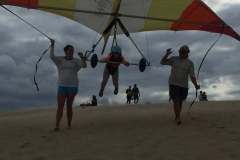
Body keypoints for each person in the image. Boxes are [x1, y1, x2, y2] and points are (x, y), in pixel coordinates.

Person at [50, 39, 87, 131]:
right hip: (62, 85)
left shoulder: (76, 60)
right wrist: (52, 45)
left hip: (73, 86)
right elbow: (51, 56)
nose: (71, 52)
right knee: (60, 106)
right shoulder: (60, 60)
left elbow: (84, 65)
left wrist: (82, 58)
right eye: (70, 50)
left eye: (72, 51)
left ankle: (69, 124)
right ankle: (57, 125)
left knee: (69, 106)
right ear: (65, 51)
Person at [161, 45, 200, 125]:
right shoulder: (174, 59)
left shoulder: (190, 63)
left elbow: (192, 76)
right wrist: (167, 54)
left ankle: (177, 116)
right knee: (176, 100)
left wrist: (196, 85)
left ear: (187, 53)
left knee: (180, 102)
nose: (181, 53)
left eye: (183, 52)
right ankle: (178, 117)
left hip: (184, 85)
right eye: (180, 51)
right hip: (173, 83)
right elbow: (162, 62)